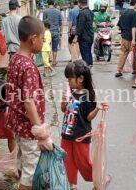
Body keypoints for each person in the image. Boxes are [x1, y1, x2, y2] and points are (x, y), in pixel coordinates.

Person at [6, 16, 52, 190]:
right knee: (31, 173)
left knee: (24, 161)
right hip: (28, 128)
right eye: (42, 39)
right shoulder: (28, 66)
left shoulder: (15, 59)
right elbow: (28, 101)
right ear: (33, 39)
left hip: (17, 124)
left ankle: (19, 182)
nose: (43, 42)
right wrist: (40, 131)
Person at [61, 60, 109, 190]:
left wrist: (97, 108)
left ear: (81, 78)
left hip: (81, 136)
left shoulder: (88, 96)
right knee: (67, 162)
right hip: (66, 134)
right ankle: (70, 185)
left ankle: (99, 179)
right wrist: (63, 101)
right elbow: (63, 109)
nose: (68, 82)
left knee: (83, 163)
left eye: (70, 78)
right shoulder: (70, 92)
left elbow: (88, 117)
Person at [115, 0, 136, 78]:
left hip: (124, 37)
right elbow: (133, 27)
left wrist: (123, 33)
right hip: (131, 37)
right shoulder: (134, 13)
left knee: (123, 53)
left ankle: (119, 70)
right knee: (135, 54)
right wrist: (133, 39)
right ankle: (135, 70)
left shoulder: (123, 12)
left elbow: (119, 25)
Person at [74, 0, 94, 67]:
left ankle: (87, 68)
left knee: (85, 54)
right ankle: (90, 66)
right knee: (88, 52)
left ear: (80, 3)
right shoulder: (91, 12)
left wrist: (76, 37)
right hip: (90, 36)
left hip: (84, 37)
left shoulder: (82, 13)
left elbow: (80, 26)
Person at [43, 0, 63, 66]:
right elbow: (61, 23)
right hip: (56, 32)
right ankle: (54, 61)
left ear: (48, 4)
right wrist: (61, 32)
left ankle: (48, 60)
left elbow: (44, 23)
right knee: (55, 48)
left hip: (48, 32)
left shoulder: (45, 11)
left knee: (47, 46)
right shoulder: (58, 11)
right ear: (54, 3)